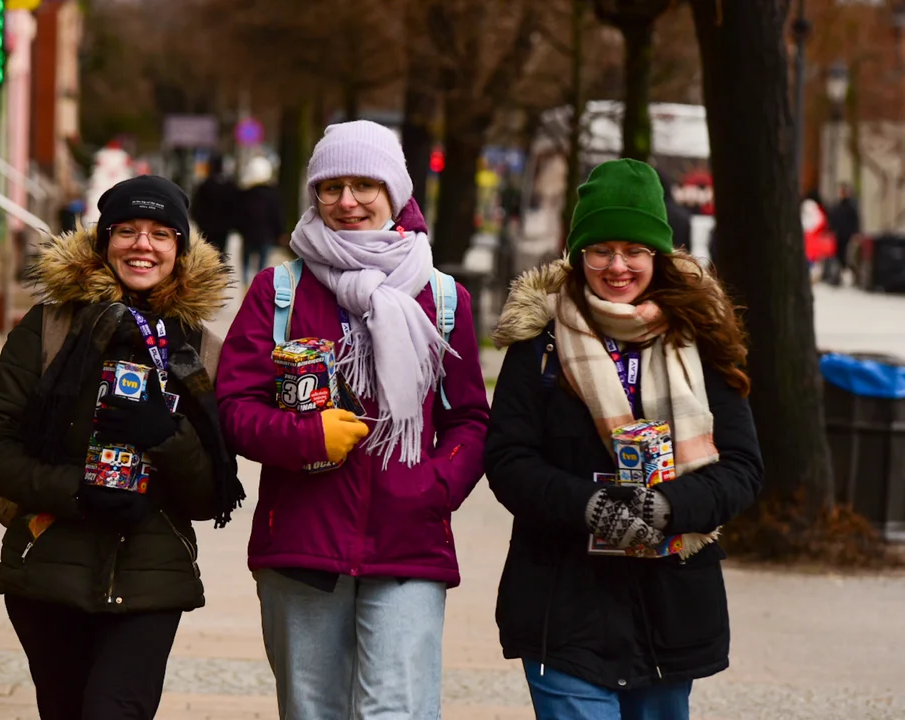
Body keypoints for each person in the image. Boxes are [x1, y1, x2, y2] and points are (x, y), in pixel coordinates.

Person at [216, 120, 490, 719]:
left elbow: (470, 419)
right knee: (313, 712)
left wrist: (434, 486)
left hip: (409, 543)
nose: (347, 201)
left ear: (395, 192)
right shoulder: (278, 291)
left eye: (365, 184)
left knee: (398, 712)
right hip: (302, 543)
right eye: (330, 186)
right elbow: (235, 408)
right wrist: (305, 438)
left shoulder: (442, 299)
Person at [485, 158, 763, 720]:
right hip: (562, 605)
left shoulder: (700, 341)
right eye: (601, 250)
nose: (617, 266)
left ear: (657, 254)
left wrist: (667, 506)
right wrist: (590, 506)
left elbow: (741, 468)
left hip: (670, 609)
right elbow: (509, 461)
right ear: (577, 253)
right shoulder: (538, 344)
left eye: (633, 250)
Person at [0, 175, 244, 720]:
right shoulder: (50, 328)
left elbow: (214, 494)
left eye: (162, 234)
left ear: (181, 251)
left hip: (152, 578)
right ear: (102, 240)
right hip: (48, 568)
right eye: (128, 231)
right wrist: (79, 491)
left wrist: (166, 435)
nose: (144, 245)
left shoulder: (201, 349)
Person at [236, 155, 285, 286]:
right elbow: (277, 215)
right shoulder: (273, 194)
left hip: (248, 235)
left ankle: (246, 287)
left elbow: (238, 214)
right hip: (266, 236)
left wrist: (241, 229)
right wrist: (280, 232)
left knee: (246, 263)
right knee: (262, 266)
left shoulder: (246, 194)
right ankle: (258, 287)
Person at [191, 152, 238, 259]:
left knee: (206, 253)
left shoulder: (205, 185)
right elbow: (235, 207)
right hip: (224, 227)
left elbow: (197, 206)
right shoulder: (230, 186)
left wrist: (198, 221)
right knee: (221, 254)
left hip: (207, 226)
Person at [827, 183, 861, 286]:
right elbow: (833, 220)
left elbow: (855, 221)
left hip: (848, 235)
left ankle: (854, 275)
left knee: (847, 257)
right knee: (838, 256)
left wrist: (856, 233)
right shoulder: (837, 206)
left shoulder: (851, 207)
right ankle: (837, 277)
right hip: (838, 235)